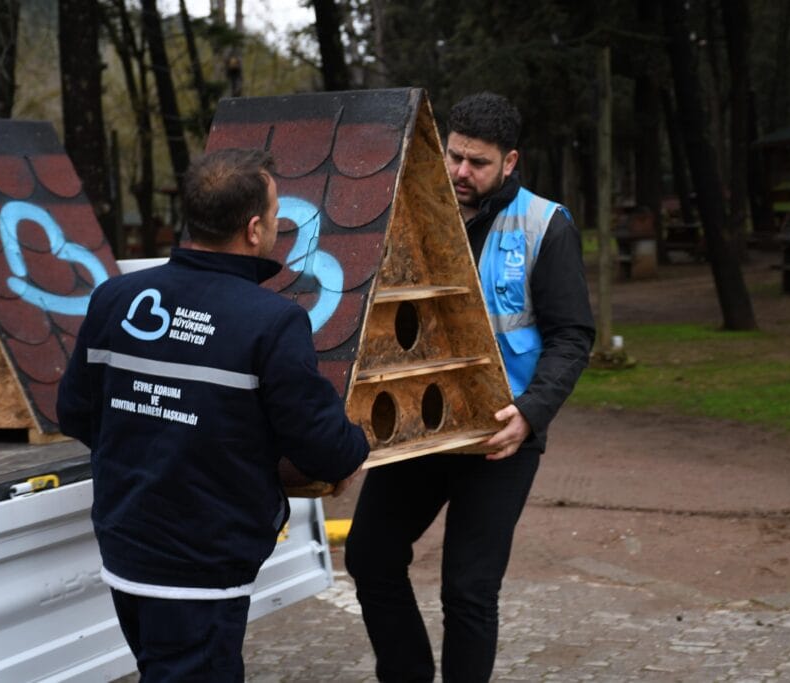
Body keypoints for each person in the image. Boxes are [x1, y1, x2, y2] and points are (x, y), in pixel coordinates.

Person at [57, 148, 369, 681]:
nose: (275, 225)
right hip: (203, 565)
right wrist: (357, 445)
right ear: (253, 230)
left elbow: (75, 413)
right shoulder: (272, 322)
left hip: (127, 550)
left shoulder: (115, 297)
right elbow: (323, 445)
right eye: (274, 216)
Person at [345, 92, 595, 682]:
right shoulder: (411, 212)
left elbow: (572, 337)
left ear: (510, 162)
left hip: (500, 435)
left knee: (469, 589)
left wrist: (531, 414)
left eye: (477, 163)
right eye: (454, 156)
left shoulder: (545, 226)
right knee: (370, 557)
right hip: (422, 424)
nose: (459, 172)